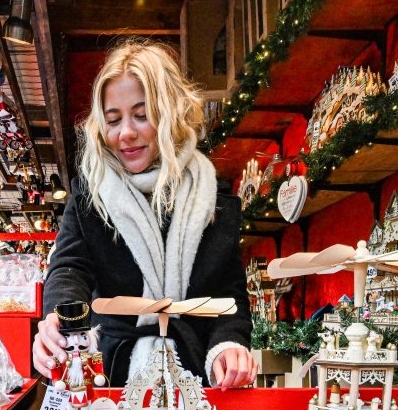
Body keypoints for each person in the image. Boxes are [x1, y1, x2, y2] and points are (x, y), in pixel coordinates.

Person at [35, 40, 256, 389]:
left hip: (195, 376)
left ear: (171, 114)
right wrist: (58, 320)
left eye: (142, 115)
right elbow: (68, 269)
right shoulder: (91, 196)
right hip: (110, 376)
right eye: (113, 119)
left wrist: (228, 347)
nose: (125, 133)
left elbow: (228, 300)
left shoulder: (213, 198)